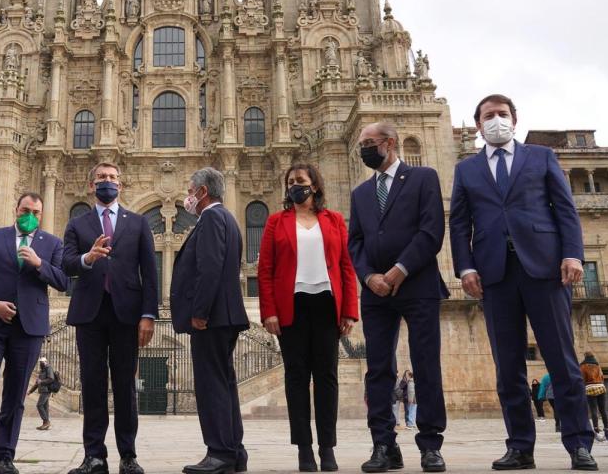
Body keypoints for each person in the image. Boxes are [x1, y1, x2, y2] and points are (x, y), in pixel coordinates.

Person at [450, 94, 597, 471]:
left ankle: (579, 444)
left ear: (513, 120)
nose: (496, 120)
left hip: (545, 268)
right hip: (494, 274)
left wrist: (572, 254)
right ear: (479, 126)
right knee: (508, 365)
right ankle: (520, 447)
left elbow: (565, 209)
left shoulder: (541, 157)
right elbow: (459, 222)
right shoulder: (466, 170)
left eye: (502, 114)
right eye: (488, 116)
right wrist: (464, 268)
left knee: (563, 361)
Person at [348, 121, 448, 473]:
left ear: (390, 144)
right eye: (361, 144)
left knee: (425, 364)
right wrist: (368, 275)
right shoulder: (360, 193)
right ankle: (383, 445)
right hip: (375, 292)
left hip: (417, 284)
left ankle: (431, 445)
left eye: (369, 142)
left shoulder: (423, 178)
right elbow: (355, 242)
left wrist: (399, 269)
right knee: (378, 368)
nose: (363, 148)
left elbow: (432, 230)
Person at [257, 162, 359, 472]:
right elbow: (266, 270)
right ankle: (304, 449)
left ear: (314, 185)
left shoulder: (334, 220)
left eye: (300, 180)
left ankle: (327, 448)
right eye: (290, 181)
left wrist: (350, 312)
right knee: (296, 378)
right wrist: (269, 311)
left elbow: (346, 266)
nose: (294, 185)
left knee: (327, 377)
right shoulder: (276, 221)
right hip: (292, 305)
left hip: (327, 305)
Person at [0, 193, 68, 474]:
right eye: (25, 210)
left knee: (16, 393)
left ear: (41, 215)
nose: (30, 215)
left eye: (35, 211)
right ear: (16, 210)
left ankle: (5, 456)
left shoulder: (52, 244)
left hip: (29, 327)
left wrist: (39, 264)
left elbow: (63, 281)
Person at [62, 162, 159, 474]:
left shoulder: (139, 223)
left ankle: (128, 456)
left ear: (122, 184)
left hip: (127, 313)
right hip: (90, 312)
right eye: (102, 178)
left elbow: (150, 271)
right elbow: (65, 263)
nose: (107, 182)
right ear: (92, 185)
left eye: (112, 177)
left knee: (124, 385)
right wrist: (87, 258)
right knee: (92, 383)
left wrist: (148, 314)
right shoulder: (78, 223)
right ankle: (94, 456)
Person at [170, 168, 249, 474]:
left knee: (211, 385)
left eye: (191, 190)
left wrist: (199, 312)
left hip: (213, 317)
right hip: (224, 314)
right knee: (224, 383)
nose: (188, 196)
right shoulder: (227, 218)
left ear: (203, 192)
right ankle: (234, 451)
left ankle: (219, 453)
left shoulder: (213, 218)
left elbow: (210, 266)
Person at [579, 353, 608, 441]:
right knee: (603, 409)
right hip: (600, 387)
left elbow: (582, 378)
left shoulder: (583, 366)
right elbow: (602, 376)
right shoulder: (597, 365)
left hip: (590, 387)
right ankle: (606, 428)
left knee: (593, 410)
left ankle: (596, 429)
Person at [30, 358, 54, 430]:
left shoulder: (48, 368)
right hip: (43, 390)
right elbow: (37, 383)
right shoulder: (42, 371)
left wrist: (41, 381)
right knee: (45, 407)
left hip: (46, 390)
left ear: (46, 362)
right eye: (40, 362)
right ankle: (45, 424)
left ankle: (46, 422)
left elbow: (51, 379)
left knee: (39, 405)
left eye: (42, 362)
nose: (41, 363)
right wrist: (30, 391)